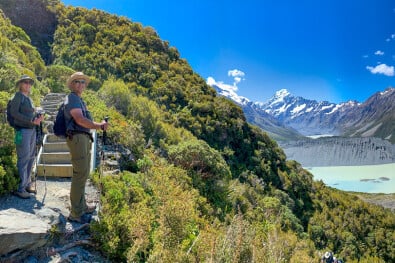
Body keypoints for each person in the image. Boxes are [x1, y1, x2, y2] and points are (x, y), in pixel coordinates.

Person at [64, 72, 109, 223]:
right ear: (72, 84)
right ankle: (76, 213)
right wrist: (99, 125)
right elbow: (79, 119)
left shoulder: (79, 100)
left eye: (83, 82)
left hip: (82, 138)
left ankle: (82, 205)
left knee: (83, 174)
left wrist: (98, 125)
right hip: (77, 138)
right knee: (79, 174)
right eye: (77, 81)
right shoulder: (72, 98)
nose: (81, 84)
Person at [9, 75, 44, 199]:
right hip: (22, 131)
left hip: (31, 130)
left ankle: (27, 184)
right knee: (23, 158)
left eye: (30, 83)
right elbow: (14, 113)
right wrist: (31, 120)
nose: (28, 85)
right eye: (25, 82)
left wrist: (38, 117)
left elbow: (30, 114)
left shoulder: (29, 99)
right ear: (20, 84)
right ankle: (21, 188)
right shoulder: (18, 96)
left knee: (30, 157)